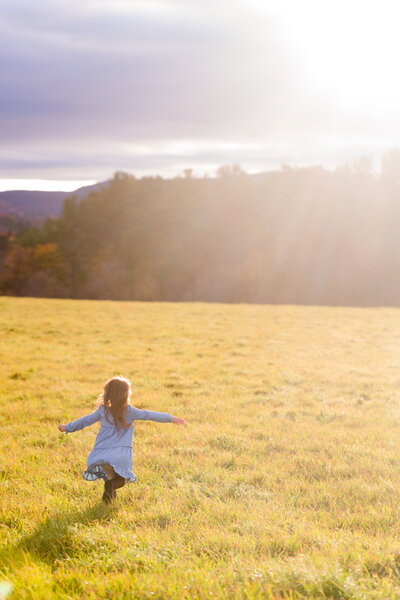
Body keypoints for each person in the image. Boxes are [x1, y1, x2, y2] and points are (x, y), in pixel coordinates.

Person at [58, 375, 185, 503]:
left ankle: (108, 495)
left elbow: (86, 420)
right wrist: (170, 418)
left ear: (107, 394)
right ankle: (111, 491)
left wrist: (68, 427)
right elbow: (149, 415)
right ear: (126, 395)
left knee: (109, 478)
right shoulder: (130, 411)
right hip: (121, 455)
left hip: (102, 453)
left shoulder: (103, 410)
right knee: (122, 479)